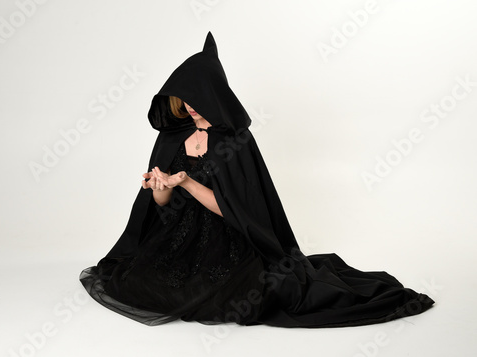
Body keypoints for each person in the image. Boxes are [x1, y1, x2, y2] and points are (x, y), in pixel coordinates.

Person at [79, 31, 434, 328]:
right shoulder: (172, 138)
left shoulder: (236, 142)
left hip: (230, 242)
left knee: (242, 294)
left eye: (198, 99)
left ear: (215, 94)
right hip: (178, 241)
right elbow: (160, 208)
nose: (190, 107)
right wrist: (161, 187)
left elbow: (236, 211)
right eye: (185, 100)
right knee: (138, 283)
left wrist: (186, 182)